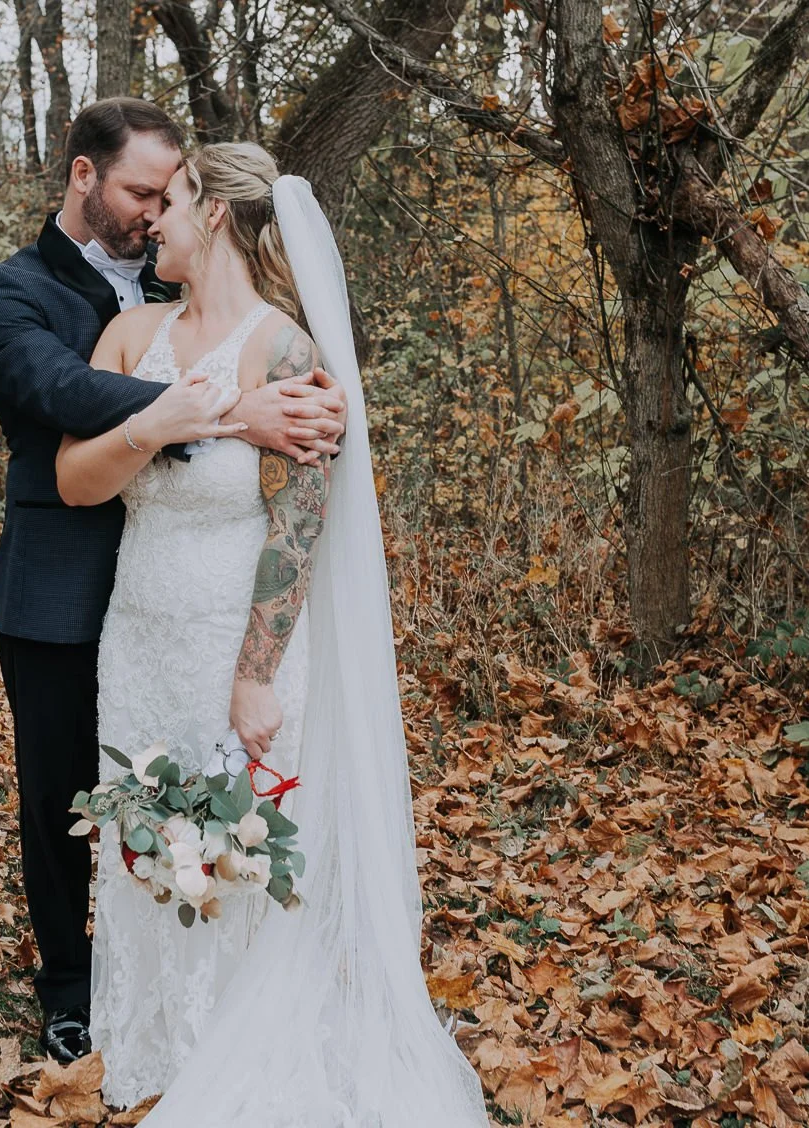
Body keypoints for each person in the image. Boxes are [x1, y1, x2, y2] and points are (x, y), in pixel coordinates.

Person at [55, 143, 488, 1126]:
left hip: (233, 646)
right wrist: (167, 421)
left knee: (241, 861)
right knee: (142, 849)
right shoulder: (129, 334)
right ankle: (154, 1049)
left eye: (169, 203)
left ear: (212, 213)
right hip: (138, 639)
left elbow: (300, 527)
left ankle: (238, 1061)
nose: (150, 221)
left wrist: (256, 679)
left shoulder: (287, 352)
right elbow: (75, 479)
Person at [0, 99, 347, 1065]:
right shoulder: (9, 294)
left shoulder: (184, 286)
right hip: (63, 594)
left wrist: (256, 402)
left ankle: (221, 1014)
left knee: (211, 808)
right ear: (85, 177)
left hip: (192, 600)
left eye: (164, 196)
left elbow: (298, 500)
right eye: (138, 191)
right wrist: (227, 411)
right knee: (62, 801)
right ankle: (69, 991)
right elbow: (60, 397)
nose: (149, 213)